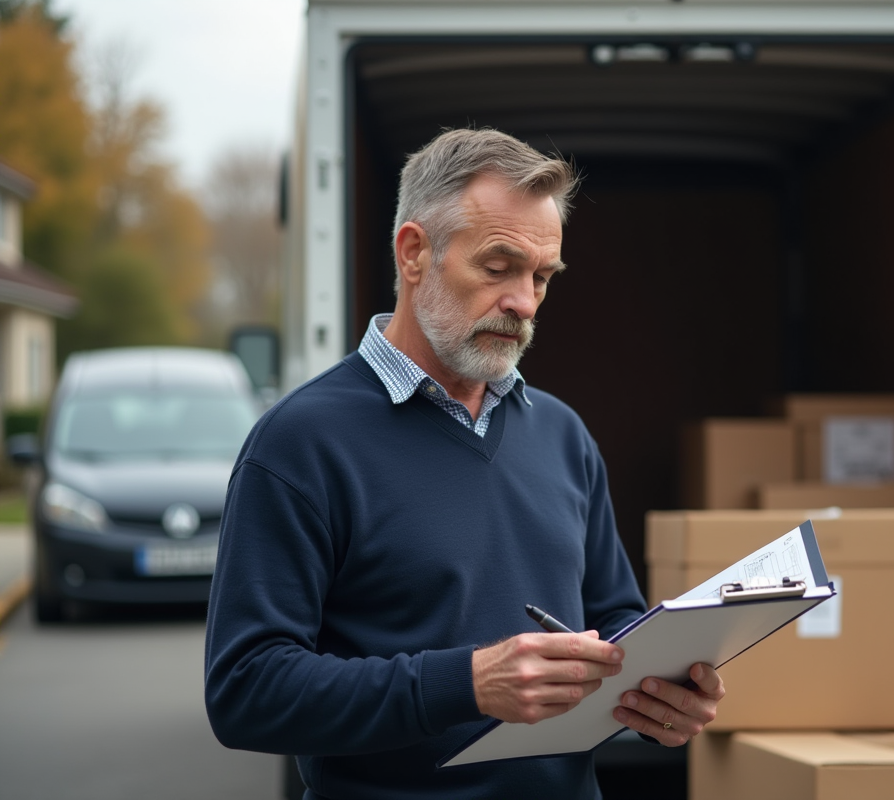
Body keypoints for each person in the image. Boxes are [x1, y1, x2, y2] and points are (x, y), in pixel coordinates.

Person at [203, 128, 725, 799]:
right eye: (499, 267)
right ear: (415, 252)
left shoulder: (563, 435)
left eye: (541, 277)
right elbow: (246, 691)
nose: (525, 304)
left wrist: (662, 698)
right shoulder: (299, 443)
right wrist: (468, 684)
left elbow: (613, 624)